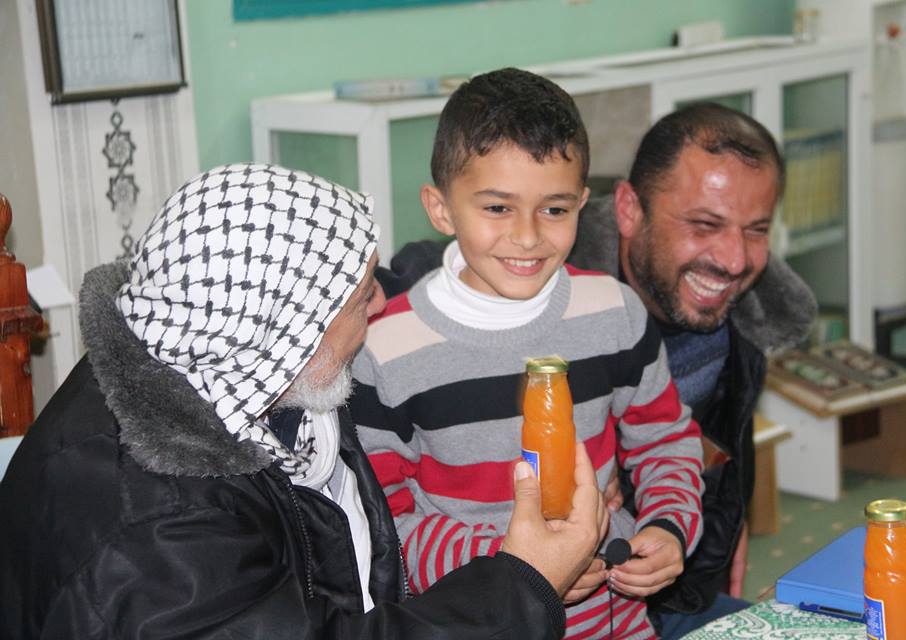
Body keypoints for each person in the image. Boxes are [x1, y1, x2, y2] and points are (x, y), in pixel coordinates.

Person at [0, 163, 609, 640]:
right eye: (361, 297)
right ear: (287, 331)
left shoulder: (210, 356)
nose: (380, 303)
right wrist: (524, 582)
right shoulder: (157, 535)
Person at [351, 68, 705, 640]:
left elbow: (663, 438)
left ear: (582, 204)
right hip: (481, 624)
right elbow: (385, 523)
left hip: (616, 623)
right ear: (440, 209)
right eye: (497, 208)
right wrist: (520, 564)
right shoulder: (385, 347)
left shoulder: (614, 312)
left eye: (555, 209)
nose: (528, 236)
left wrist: (668, 526)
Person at [566, 102, 818, 638]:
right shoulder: (536, 298)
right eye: (705, 224)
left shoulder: (746, 320)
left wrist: (729, 521)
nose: (734, 260)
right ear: (630, 210)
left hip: (680, 589)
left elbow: (720, 441)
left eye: (756, 230)